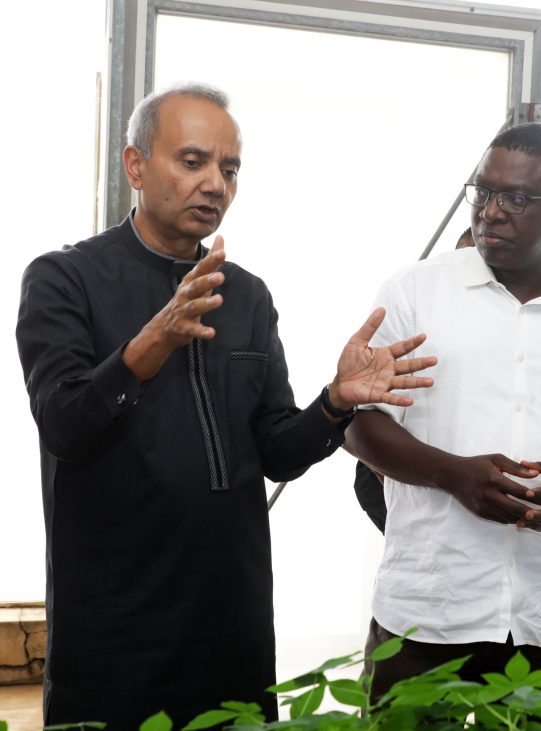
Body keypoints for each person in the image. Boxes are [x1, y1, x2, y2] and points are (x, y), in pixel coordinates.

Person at [15, 83, 435, 729]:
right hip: (114, 619)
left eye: (230, 169)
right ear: (135, 165)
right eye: (193, 161)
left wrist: (333, 402)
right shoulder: (64, 279)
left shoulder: (247, 295)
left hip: (231, 615)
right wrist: (154, 340)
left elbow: (277, 452)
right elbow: (65, 425)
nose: (215, 183)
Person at [343, 123, 541, 696]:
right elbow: (360, 425)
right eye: (482, 192)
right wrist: (453, 475)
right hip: (428, 609)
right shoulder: (413, 292)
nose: (490, 212)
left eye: (516, 199)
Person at [351, 227, 476, 534]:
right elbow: (353, 416)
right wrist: (386, 470)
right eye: (465, 260)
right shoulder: (420, 309)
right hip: (403, 478)